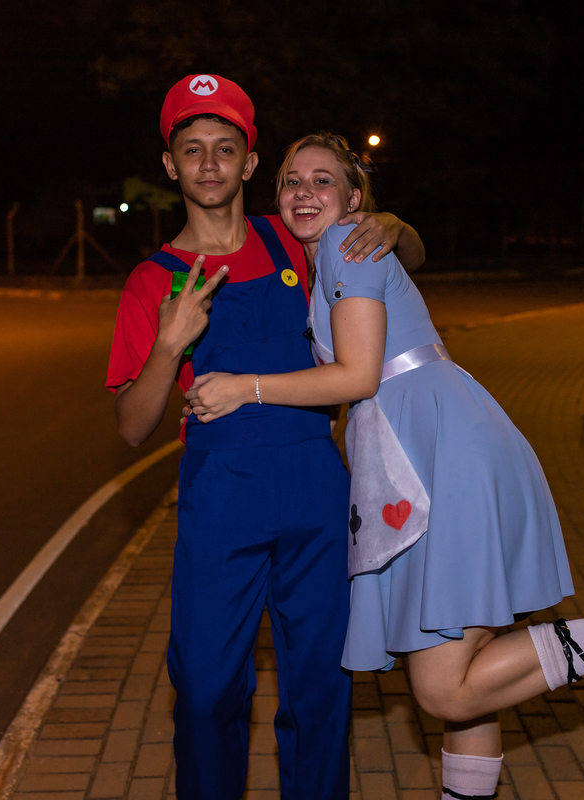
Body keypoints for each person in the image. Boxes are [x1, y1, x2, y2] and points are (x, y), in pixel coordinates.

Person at [184, 133, 584, 800]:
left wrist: (245, 388)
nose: (304, 192)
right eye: (292, 180)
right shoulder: (332, 254)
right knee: (471, 682)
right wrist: (398, 226)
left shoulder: (342, 245)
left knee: (444, 689)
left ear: (354, 199)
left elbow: (358, 376)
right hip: (435, 451)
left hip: (440, 461)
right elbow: (406, 254)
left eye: (323, 180)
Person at [106, 77, 426, 800]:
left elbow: (405, 260)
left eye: (225, 148)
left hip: (316, 489)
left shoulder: (293, 237)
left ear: (250, 163)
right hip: (222, 498)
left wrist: (394, 224)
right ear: (170, 165)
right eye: (193, 149)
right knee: (206, 690)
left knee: (320, 688)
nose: (209, 163)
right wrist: (168, 346)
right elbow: (131, 427)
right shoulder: (152, 281)